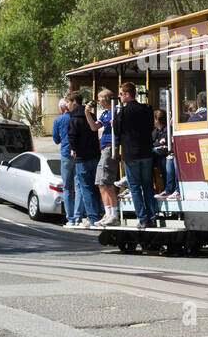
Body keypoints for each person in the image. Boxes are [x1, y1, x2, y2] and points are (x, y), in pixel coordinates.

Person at [113, 82, 157, 229]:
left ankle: (143, 218)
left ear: (127, 94)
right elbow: (151, 127)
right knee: (147, 186)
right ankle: (152, 217)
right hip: (146, 151)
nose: (119, 97)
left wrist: (115, 123)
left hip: (131, 153)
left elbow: (117, 132)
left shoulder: (123, 113)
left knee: (135, 187)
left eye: (121, 94)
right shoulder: (146, 109)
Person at [65, 92, 103, 227]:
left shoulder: (73, 119)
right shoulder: (91, 115)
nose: (67, 106)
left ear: (74, 102)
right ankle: (99, 214)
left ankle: (93, 217)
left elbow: (72, 137)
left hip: (82, 158)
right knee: (97, 187)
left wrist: (73, 149)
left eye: (68, 102)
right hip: (94, 155)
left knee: (86, 188)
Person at [51, 99, 80, 227]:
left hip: (66, 154)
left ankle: (71, 218)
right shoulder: (77, 117)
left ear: (62, 108)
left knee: (67, 187)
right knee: (79, 185)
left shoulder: (58, 120)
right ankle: (79, 216)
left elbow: (56, 139)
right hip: (79, 153)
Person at [94, 88, 120, 225]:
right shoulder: (104, 113)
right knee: (100, 183)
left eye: (100, 99)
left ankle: (114, 215)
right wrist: (87, 113)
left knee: (107, 182)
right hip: (103, 149)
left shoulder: (116, 111)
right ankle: (108, 213)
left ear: (105, 99)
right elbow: (94, 127)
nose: (98, 102)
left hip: (111, 147)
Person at [153, 109, 178, 196]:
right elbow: (152, 143)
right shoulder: (155, 131)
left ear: (157, 120)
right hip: (158, 155)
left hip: (165, 153)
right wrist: (158, 142)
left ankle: (168, 189)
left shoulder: (168, 129)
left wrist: (158, 143)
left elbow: (165, 142)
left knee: (165, 161)